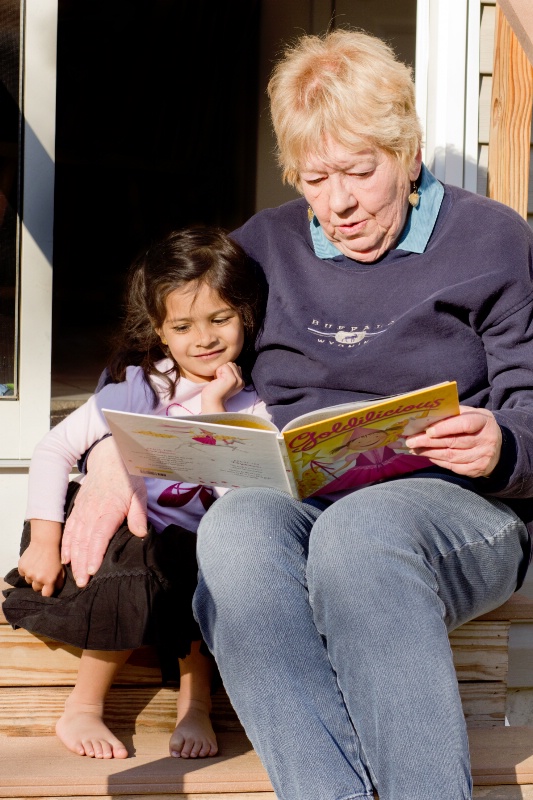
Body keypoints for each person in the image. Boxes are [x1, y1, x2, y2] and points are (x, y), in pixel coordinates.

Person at [56, 28, 533, 800]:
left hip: (457, 511)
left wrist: (502, 442)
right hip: (296, 499)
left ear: (409, 154)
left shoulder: (490, 239)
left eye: (359, 171)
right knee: (236, 530)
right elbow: (166, 354)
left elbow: (531, 410)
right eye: (314, 179)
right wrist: (119, 453)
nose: (337, 203)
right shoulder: (265, 246)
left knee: (360, 534)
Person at [2, 225, 267, 761]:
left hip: (194, 543)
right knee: (138, 555)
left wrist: (214, 404)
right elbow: (55, 450)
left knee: (208, 568)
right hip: (120, 539)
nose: (205, 338)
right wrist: (44, 542)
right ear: (160, 332)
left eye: (221, 319)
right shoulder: (138, 387)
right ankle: (83, 705)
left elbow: (233, 485)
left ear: (247, 316)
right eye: (184, 326)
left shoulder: (255, 407)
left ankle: (196, 704)